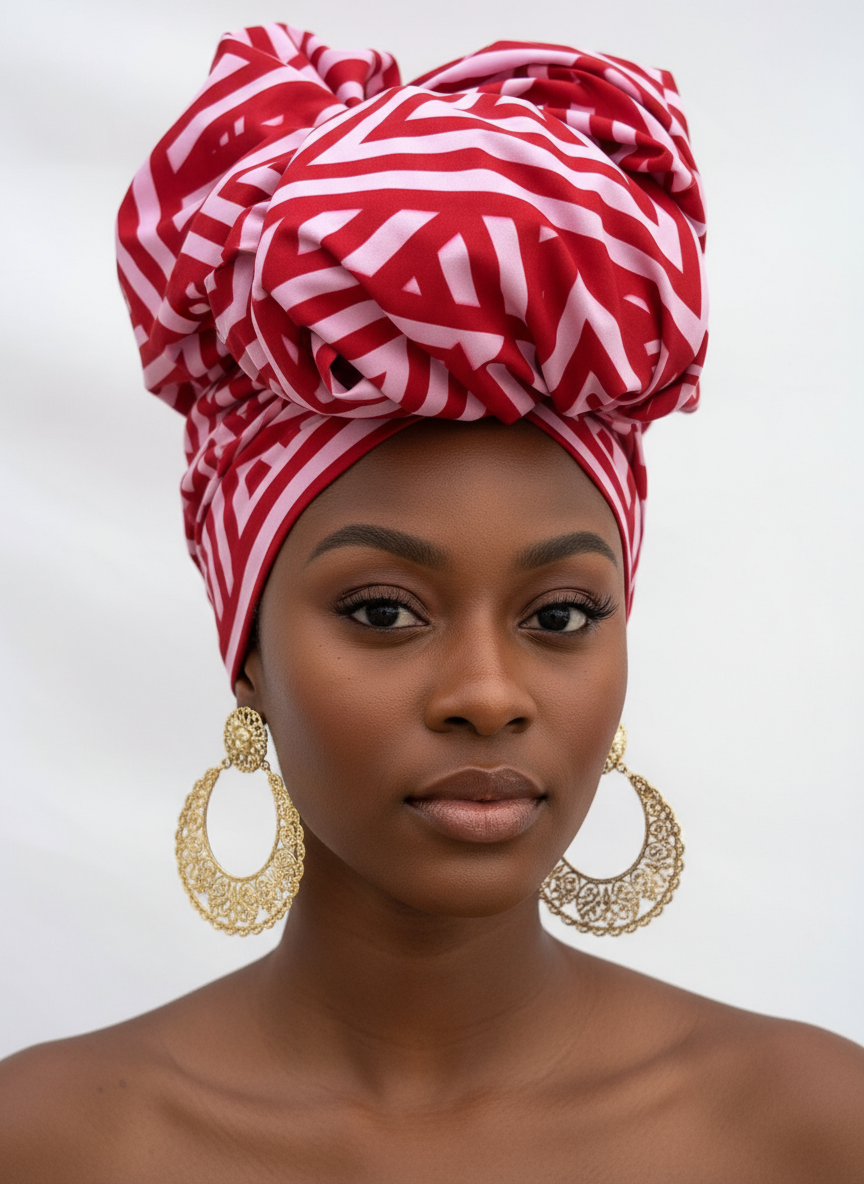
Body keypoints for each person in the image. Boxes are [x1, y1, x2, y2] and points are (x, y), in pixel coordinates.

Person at [1, 23, 862, 1182]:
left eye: (560, 615)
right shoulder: (49, 1143)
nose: (487, 696)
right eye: (383, 610)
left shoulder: (812, 1130)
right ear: (247, 649)